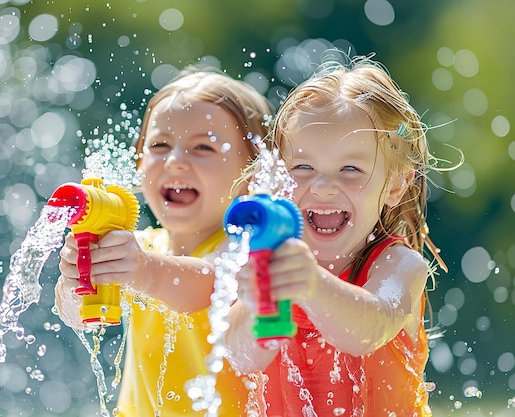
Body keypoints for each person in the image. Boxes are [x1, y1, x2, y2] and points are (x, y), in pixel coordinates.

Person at [224, 55, 454, 416]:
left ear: (395, 185)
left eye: (350, 168)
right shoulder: (266, 264)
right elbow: (240, 355)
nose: (323, 187)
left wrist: (311, 283)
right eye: (302, 167)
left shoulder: (399, 266)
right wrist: (256, 302)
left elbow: (367, 330)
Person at [54, 66, 273, 416]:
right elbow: (77, 315)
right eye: (159, 145)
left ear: (254, 173)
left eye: (203, 147)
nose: (175, 161)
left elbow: (210, 285)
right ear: (139, 162)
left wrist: (144, 271)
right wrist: (77, 279)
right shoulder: (140, 247)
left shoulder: (248, 251)